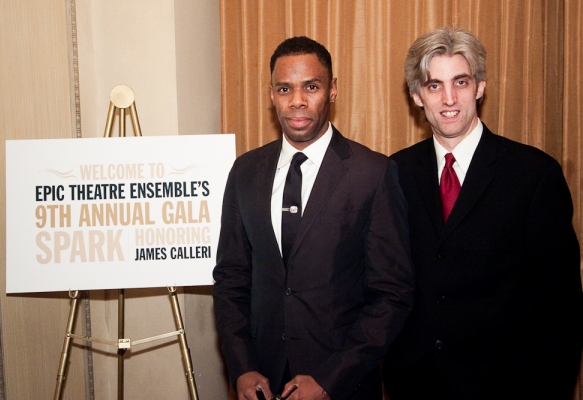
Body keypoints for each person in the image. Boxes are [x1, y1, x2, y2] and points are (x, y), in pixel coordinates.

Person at [382, 27, 583, 399]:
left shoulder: (534, 175)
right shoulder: (394, 173)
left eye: (460, 81)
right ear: (416, 96)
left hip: (509, 386)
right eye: (434, 86)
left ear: (480, 87)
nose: (449, 98)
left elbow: (561, 310)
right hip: (415, 385)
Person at [213, 36, 414, 400]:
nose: (297, 101)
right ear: (271, 94)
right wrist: (241, 367)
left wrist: (330, 379)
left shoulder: (373, 173)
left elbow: (392, 295)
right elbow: (231, 279)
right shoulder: (245, 171)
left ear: (333, 90)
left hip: (343, 384)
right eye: (285, 89)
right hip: (263, 382)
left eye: (312, 86)